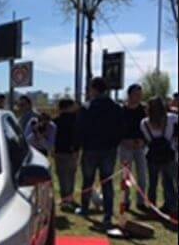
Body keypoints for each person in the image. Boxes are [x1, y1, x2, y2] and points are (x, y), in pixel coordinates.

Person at [76, 77, 126, 230]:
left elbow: (80, 129)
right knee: (107, 182)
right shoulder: (116, 107)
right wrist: (114, 144)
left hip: (90, 149)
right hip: (109, 150)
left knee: (88, 180)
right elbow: (121, 129)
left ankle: (85, 208)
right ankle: (108, 213)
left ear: (94, 89)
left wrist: (80, 145)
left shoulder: (87, 107)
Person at [141, 97, 178, 218]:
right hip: (168, 155)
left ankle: (152, 207)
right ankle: (172, 206)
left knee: (152, 182)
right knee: (169, 182)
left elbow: (147, 139)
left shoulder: (144, 123)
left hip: (152, 156)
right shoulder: (172, 118)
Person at [120, 84, 148, 212]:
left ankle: (141, 202)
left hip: (140, 147)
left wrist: (143, 141)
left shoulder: (144, 110)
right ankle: (125, 200)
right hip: (126, 147)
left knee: (142, 175)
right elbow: (117, 128)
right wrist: (123, 140)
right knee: (126, 176)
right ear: (130, 94)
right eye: (136, 94)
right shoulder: (122, 110)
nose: (138, 97)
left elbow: (148, 127)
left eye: (140, 94)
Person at [54, 98, 80, 209]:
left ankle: (65, 199)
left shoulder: (55, 121)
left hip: (59, 151)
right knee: (70, 176)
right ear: (68, 107)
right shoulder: (75, 120)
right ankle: (69, 198)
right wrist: (76, 149)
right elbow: (76, 136)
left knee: (62, 176)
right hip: (71, 152)